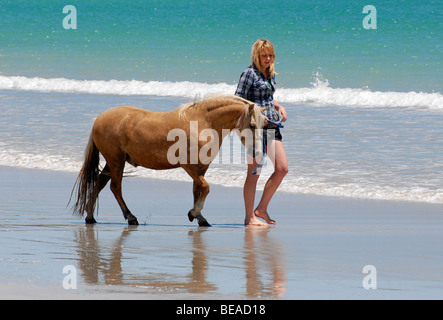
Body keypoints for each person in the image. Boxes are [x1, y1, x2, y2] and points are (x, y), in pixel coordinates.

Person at [235, 39, 288, 226]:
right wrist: (256, 114)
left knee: (282, 168)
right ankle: (249, 217)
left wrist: (279, 106)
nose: (268, 58)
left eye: (270, 55)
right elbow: (238, 101)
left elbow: (268, 98)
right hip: (254, 128)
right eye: (264, 55)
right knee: (254, 173)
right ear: (256, 55)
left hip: (272, 126)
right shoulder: (248, 73)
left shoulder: (270, 73)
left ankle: (261, 209)